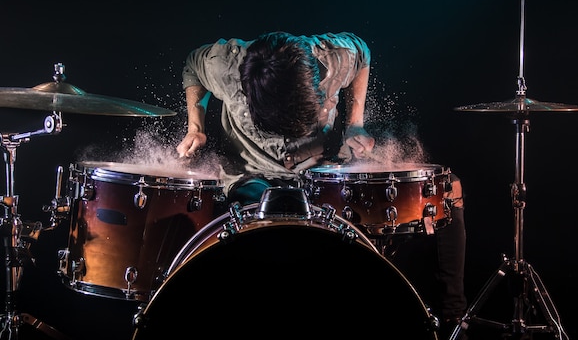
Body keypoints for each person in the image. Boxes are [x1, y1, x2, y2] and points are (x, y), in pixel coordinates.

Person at [175, 31, 466, 338]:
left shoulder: (335, 56)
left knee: (450, 189)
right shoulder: (224, 66)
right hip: (252, 175)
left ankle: (454, 319)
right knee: (271, 223)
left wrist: (355, 123)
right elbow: (192, 66)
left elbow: (363, 54)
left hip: (320, 173)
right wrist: (196, 127)